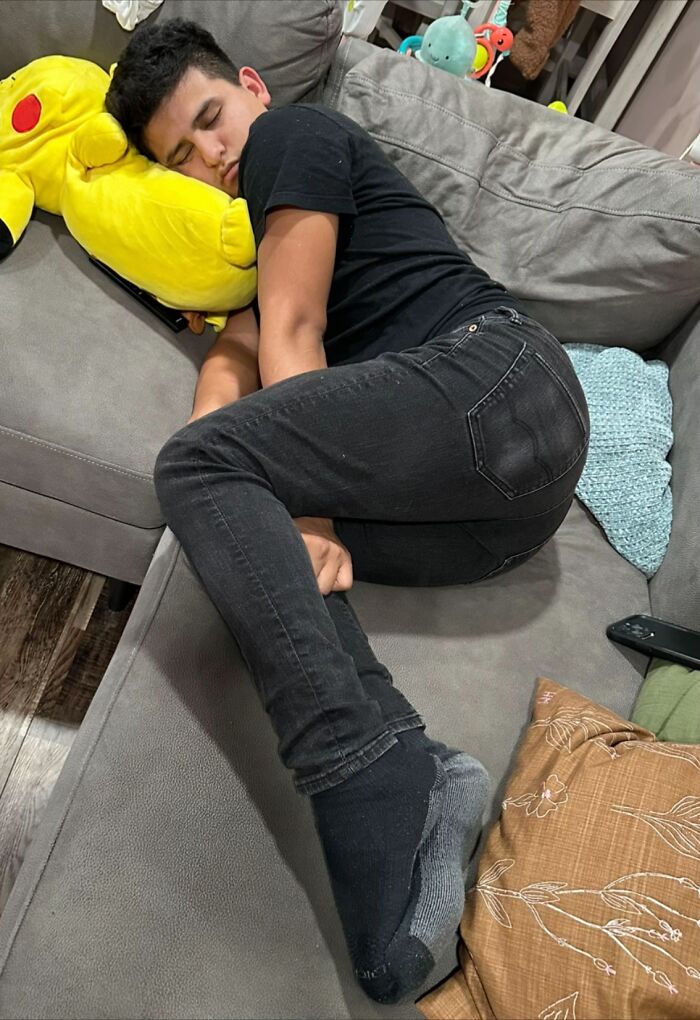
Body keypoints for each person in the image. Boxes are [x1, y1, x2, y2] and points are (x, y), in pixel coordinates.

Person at [106, 18, 589, 1004]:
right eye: (183, 158)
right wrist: (252, 485)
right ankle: (418, 769)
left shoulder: (297, 140)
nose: (213, 157)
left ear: (251, 87)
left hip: (503, 383)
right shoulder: (256, 244)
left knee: (207, 479)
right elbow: (234, 370)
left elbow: (291, 329)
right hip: (496, 515)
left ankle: (360, 775)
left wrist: (307, 501)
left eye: (211, 120)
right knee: (238, 532)